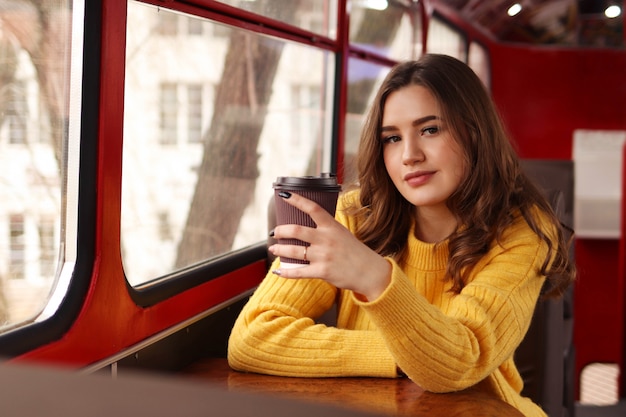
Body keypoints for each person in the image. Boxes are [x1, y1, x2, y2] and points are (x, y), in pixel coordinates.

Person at [227, 54, 575, 417]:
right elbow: (252, 339)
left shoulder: (523, 231)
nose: (409, 155)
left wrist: (372, 276)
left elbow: (456, 364)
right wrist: (404, 355)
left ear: (475, 131)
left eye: (430, 130)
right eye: (392, 138)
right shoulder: (350, 215)